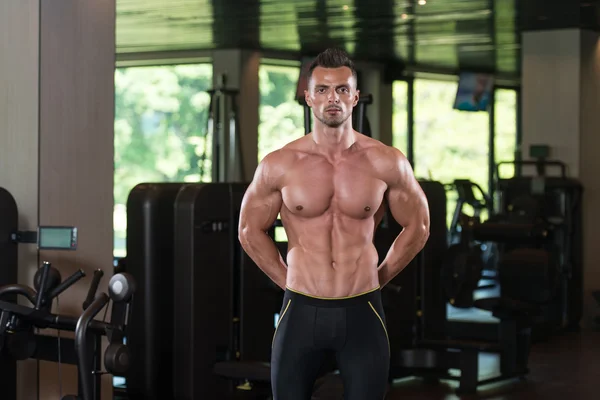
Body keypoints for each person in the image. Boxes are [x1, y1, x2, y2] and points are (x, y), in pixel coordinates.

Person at [238, 48, 430, 399]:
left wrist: (380, 276)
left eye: (342, 89)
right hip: (301, 309)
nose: (333, 98)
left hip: (363, 310)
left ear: (355, 97)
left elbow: (419, 226)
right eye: (323, 89)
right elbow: (249, 230)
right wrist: (288, 281)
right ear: (308, 96)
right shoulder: (280, 164)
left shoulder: (386, 161)